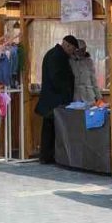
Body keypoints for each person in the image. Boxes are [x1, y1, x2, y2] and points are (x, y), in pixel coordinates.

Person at [35, 36, 78, 164]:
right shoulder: (57, 57)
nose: (72, 52)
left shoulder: (53, 54)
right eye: (73, 49)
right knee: (51, 129)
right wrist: (67, 93)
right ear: (67, 45)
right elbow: (58, 79)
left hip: (52, 100)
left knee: (50, 129)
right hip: (55, 100)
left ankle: (48, 156)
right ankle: (48, 156)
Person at [70, 38, 101, 104]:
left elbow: (93, 80)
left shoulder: (89, 61)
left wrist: (99, 98)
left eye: (83, 50)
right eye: (79, 50)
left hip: (89, 96)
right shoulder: (69, 61)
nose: (82, 53)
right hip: (75, 97)